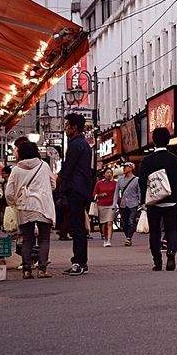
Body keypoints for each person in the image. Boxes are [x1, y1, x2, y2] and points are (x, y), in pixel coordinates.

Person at [5, 139, 56, 279]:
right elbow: (53, 185)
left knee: (27, 239)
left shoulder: (16, 170)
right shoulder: (44, 166)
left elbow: (9, 193)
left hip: (24, 205)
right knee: (44, 239)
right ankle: (42, 270)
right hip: (43, 206)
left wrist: (14, 202)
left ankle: (27, 270)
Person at [139, 128, 177, 271]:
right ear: (168, 140)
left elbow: (141, 181)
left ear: (154, 141)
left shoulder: (147, 161)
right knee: (171, 229)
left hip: (154, 202)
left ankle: (157, 261)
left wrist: (144, 199)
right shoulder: (175, 160)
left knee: (155, 231)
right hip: (171, 200)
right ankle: (171, 253)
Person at [58, 113, 96, 276]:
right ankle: (81, 261)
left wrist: (57, 181)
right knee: (78, 226)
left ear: (74, 127)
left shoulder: (76, 145)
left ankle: (79, 262)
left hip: (76, 189)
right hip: (81, 189)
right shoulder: (83, 144)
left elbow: (68, 168)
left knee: (77, 227)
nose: (65, 128)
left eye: (67, 125)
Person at [115, 161, 141, 246]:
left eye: (125, 167)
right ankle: (128, 236)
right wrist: (114, 204)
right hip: (123, 204)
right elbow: (116, 192)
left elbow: (139, 192)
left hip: (133, 203)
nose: (124, 168)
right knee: (124, 222)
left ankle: (129, 237)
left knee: (131, 221)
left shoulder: (136, 180)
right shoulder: (120, 180)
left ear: (131, 168)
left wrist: (141, 202)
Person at [93, 167, 117, 247]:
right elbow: (94, 195)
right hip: (102, 205)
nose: (109, 174)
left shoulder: (115, 183)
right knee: (104, 224)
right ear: (104, 174)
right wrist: (100, 195)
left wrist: (119, 204)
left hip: (111, 205)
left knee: (109, 222)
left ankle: (109, 240)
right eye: (107, 172)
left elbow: (117, 194)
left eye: (110, 172)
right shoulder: (99, 183)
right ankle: (105, 238)